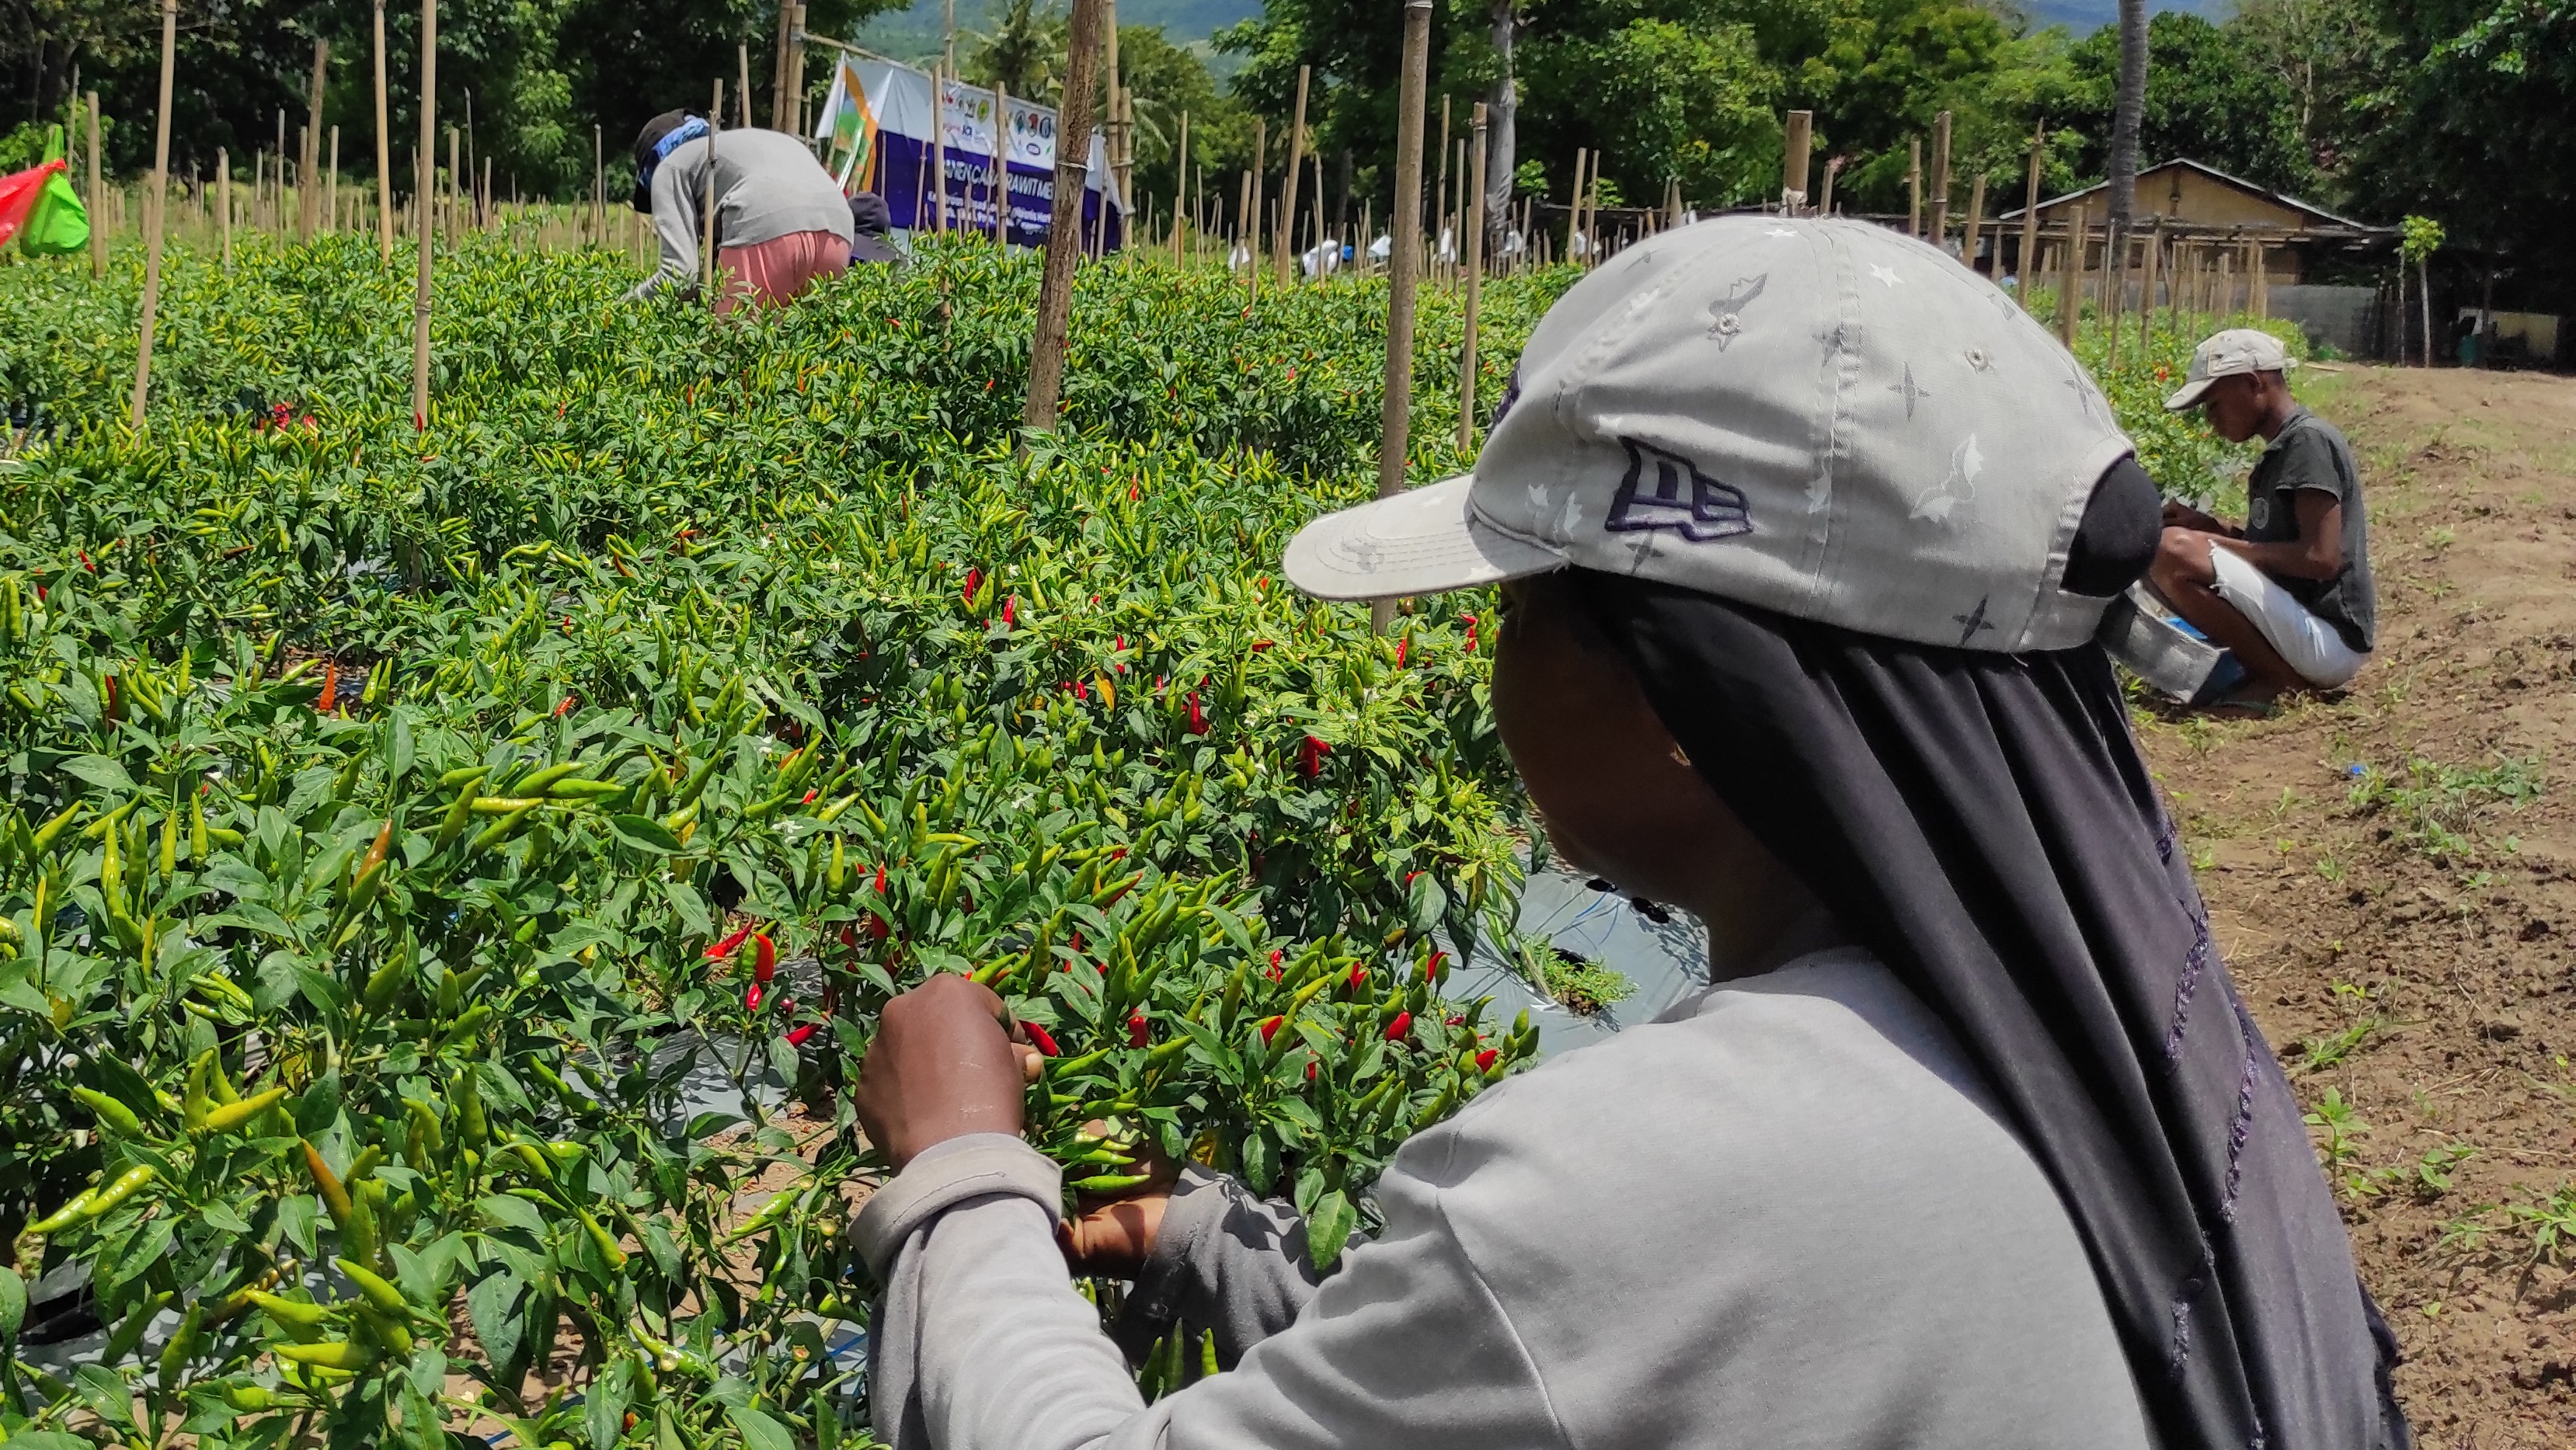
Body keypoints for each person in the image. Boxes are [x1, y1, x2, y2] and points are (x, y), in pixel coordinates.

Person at [847, 219, 2404, 1450]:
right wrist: (1208, 1245)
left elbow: (1603, 1280)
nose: (1491, 659)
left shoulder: (1662, 1168)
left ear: (1679, 691)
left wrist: (963, 1171)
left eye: (1521, 608)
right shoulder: (2116, 1036)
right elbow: (1600, 1372)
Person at [2151, 327, 2374, 703]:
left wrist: (2211, 542)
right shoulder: (2284, 447)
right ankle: (2268, 671)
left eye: (2214, 404)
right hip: (2304, 625)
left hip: (2330, 639)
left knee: (2172, 549)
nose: (2211, 419)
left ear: (2252, 384)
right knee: (2151, 548)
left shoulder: (2308, 442)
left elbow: (2321, 560)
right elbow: (2276, 549)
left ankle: (2280, 682)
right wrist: (2212, 528)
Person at [626, 110, 857, 311]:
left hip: (766, 225)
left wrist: (618, 310)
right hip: (839, 231)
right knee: (802, 352)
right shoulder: (751, 144)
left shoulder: (669, 166)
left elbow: (679, 275)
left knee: (731, 351)